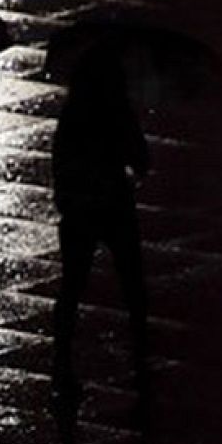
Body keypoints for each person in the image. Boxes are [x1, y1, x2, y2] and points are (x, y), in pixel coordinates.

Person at [51, 48, 150, 400]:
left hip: (80, 208)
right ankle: (141, 359)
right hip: (115, 205)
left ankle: (61, 363)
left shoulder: (72, 117)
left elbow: (60, 165)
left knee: (72, 287)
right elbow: (142, 161)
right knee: (132, 285)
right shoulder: (119, 113)